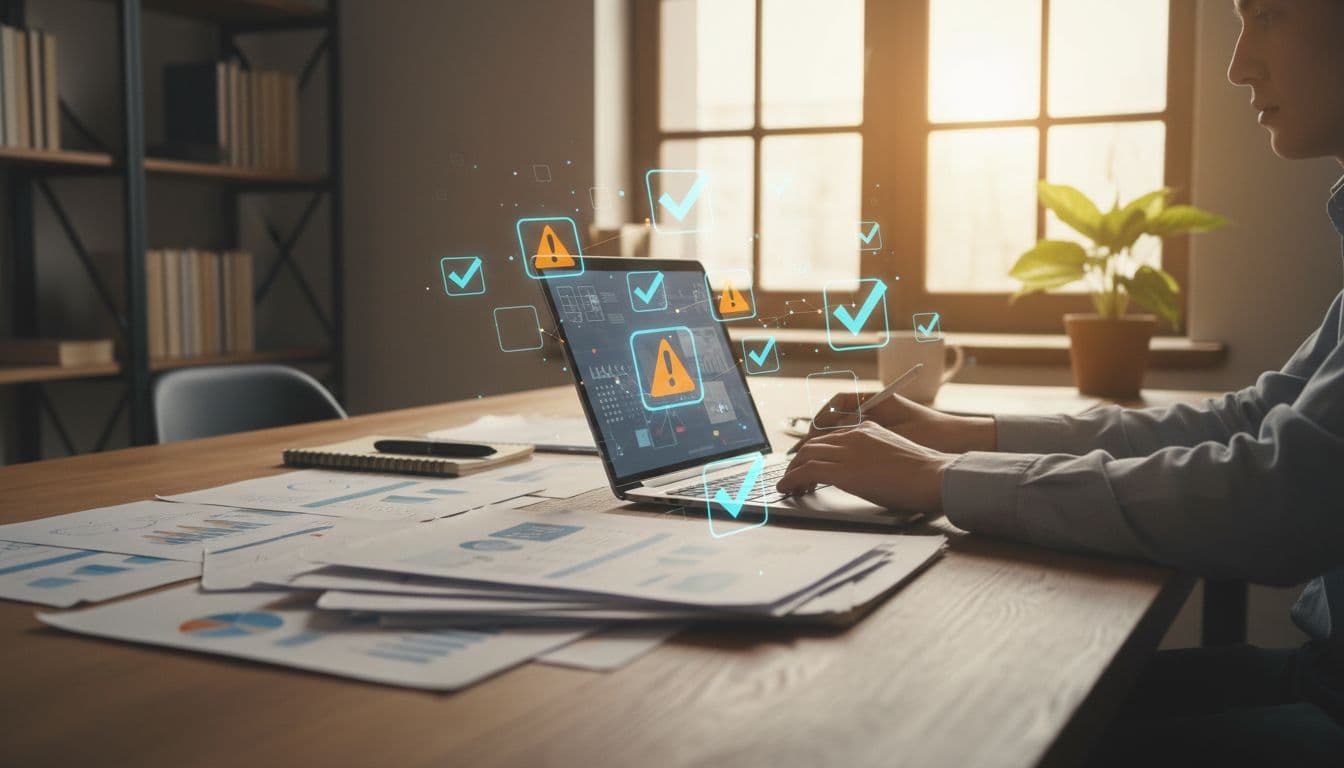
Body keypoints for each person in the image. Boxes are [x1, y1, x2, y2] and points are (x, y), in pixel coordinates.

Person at [776, 0, 1344, 764]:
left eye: (1269, 14)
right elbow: (1246, 422)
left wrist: (946, 479)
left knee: (950, 735)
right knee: (976, 708)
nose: (1241, 64)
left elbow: (1277, 499)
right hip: (1321, 676)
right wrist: (965, 435)